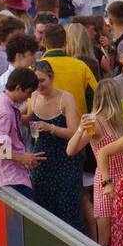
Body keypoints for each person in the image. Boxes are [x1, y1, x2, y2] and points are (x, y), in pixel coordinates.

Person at [26, 60, 85, 229]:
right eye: (35, 81)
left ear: (51, 78)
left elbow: (74, 132)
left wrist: (51, 127)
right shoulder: (34, 95)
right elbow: (27, 118)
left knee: (68, 211)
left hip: (65, 161)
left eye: (42, 80)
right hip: (41, 161)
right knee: (43, 208)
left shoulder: (65, 98)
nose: (38, 85)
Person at [0, 67, 46, 201]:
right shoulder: (5, 112)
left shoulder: (1, 104)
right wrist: (21, 158)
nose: (29, 97)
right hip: (11, 179)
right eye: (28, 92)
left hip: (9, 176)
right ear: (18, 88)